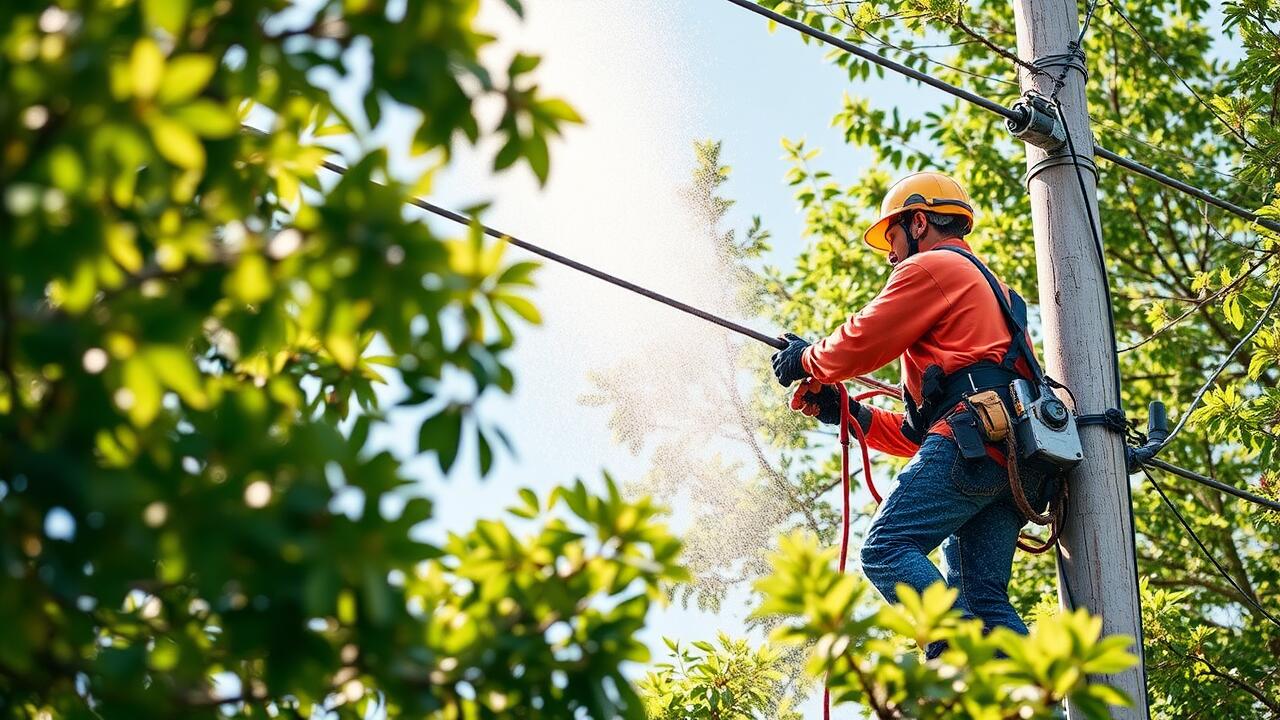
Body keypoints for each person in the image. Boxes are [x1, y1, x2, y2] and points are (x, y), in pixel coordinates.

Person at [770, 171, 1055, 658]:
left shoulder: (935, 267)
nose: (890, 254)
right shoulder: (995, 298)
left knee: (886, 548)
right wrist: (848, 413)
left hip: (977, 443)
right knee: (985, 599)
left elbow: (864, 338)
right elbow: (922, 435)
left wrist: (807, 358)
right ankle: (1025, 701)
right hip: (1012, 458)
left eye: (893, 237)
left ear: (919, 222)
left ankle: (963, 661)